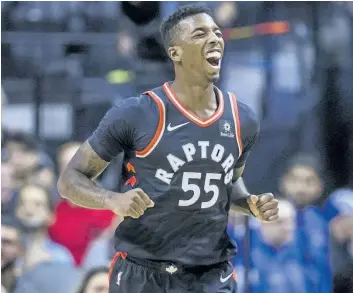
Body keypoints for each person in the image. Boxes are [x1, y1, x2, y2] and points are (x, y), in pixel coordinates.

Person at [57, 4, 279, 293]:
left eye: (216, 32)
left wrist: (249, 203)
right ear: (175, 52)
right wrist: (112, 199)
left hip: (210, 274)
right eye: (200, 33)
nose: (214, 39)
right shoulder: (137, 113)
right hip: (143, 271)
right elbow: (69, 180)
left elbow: (229, 183)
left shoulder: (243, 118)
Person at [15, 184, 74, 268]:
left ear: (51, 216)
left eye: (38, 204)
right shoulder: (4, 251)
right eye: (23, 203)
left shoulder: (60, 258)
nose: (28, 209)